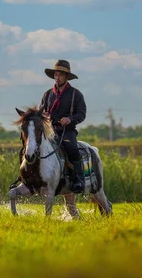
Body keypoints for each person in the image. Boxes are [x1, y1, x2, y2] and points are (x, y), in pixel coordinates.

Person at [40, 60, 87, 193]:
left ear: (67, 77)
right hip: (49, 131)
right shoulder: (47, 94)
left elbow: (82, 114)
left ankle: (78, 179)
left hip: (67, 131)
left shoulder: (75, 94)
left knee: (72, 148)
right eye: (56, 74)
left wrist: (70, 119)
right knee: (35, 147)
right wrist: (44, 116)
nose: (57, 77)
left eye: (60, 75)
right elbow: (40, 112)